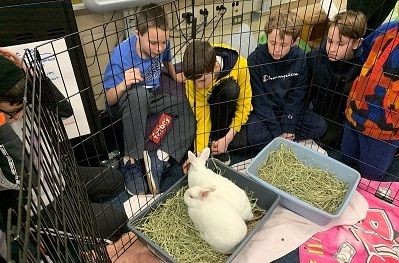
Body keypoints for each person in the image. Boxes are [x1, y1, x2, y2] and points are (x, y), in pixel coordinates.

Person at [0, 52, 129, 260]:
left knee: (115, 179)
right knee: (118, 219)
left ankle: (80, 206)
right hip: (42, 202)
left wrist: (29, 73)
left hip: (60, 174)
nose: (22, 115)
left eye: (23, 107)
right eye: (13, 113)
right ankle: (70, 227)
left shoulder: (25, 100)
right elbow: (20, 177)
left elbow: (65, 110)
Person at [103, 3, 195, 195]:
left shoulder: (163, 45)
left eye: (163, 42)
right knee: (139, 94)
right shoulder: (120, 54)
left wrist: (175, 75)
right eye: (153, 43)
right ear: (138, 34)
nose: (159, 48)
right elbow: (110, 100)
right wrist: (123, 84)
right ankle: (131, 162)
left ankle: (160, 157)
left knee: (189, 107)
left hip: (151, 96)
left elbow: (167, 58)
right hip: (125, 99)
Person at [246, 10, 326, 150]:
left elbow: (298, 96)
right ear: (267, 37)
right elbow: (259, 101)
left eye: (283, 45)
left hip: (289, 111)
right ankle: (283, 140)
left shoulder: (301, 58)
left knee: (320, 127)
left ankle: (282, 139)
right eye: (272, 43)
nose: (276, 49)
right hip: (265, 112)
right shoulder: (255, 59)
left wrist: (288, 125)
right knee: (255, 137)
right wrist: (277, 131)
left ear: (294, 42)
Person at [342, 20, 399, 181]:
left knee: (371, 175)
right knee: (346, 158)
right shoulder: (387, 28)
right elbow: (364, 50)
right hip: (357, 109)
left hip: (386, 124)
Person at [182, 40, 252, 165]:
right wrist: (199, 154)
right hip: (210, 111)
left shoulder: (241, 64)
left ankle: (220, 141)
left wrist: (227, 138)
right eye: (194, 81)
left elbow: (244, 106)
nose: (198, 86)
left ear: (215, 66)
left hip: (228, 108)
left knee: (242, 143)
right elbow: (202, 116)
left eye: (203, 80)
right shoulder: (193, 80)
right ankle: (213, 141)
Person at [307, 10, 367, 149]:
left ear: (357, 43)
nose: (332, 49)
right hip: (316, 105)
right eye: (329, 41)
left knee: (333, 140)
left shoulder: (362, 65)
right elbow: (304, 88)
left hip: (340, 110)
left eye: (340, 44)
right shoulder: (315, 56)